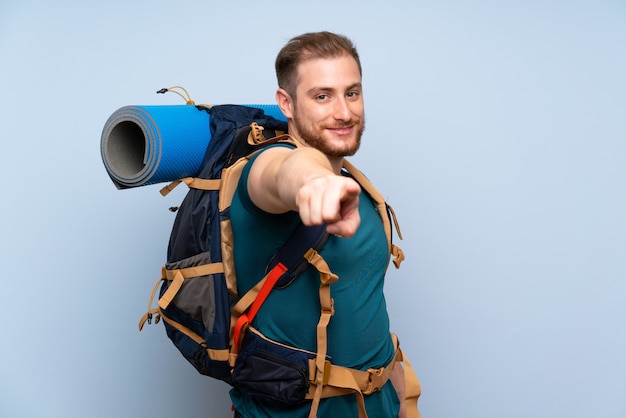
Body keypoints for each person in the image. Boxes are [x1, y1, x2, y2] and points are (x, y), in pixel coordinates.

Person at [229, 31, 420, 418]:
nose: (344, 112)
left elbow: (365, 307)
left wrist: (404, 402)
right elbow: (286, 171)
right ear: (286, 103)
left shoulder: (358, 189)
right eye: (322, 96)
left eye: (352, 93)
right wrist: (315, 184)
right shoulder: (263, 171)